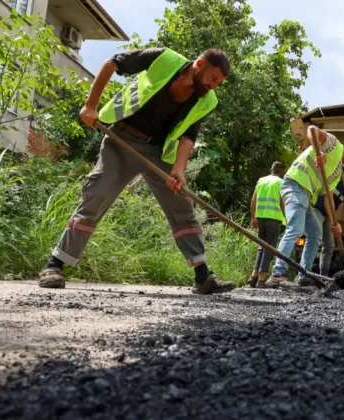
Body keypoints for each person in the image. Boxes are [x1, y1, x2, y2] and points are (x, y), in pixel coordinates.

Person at [37, 47, 236, 295]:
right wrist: (90, 105)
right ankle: (54, 265)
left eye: (219, 83)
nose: (214, 86)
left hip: (158, 152)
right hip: (121, 140)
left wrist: (179, 170)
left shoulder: (205, 99)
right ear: (199, 64)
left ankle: (203, 276)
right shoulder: (163, 58)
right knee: (97, 194)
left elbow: (188, 137)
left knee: (181, 205)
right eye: (213, 78)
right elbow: (111, 63)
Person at [268, 127, 344, 288]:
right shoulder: (334, 145)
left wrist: (334, 222)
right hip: (295, 184)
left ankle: (303, 276)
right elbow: (312, 130)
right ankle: (277, 274)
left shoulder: (337, 171)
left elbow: (328, 196)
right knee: (295, 229)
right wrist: (318, 152)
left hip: (307, 195)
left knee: (315, 233)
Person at [248, 161, 286, 288]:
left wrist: (253, 218)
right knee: (269, 248)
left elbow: (253, 200)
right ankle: (261, 279)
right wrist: (285, 218)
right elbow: (282, 203)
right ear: (282, 172)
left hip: (261, 217)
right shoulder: (281, 183)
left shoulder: (261, 180)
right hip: (273, 218)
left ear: (271, 170)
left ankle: (253, 276)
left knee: (261, 247)